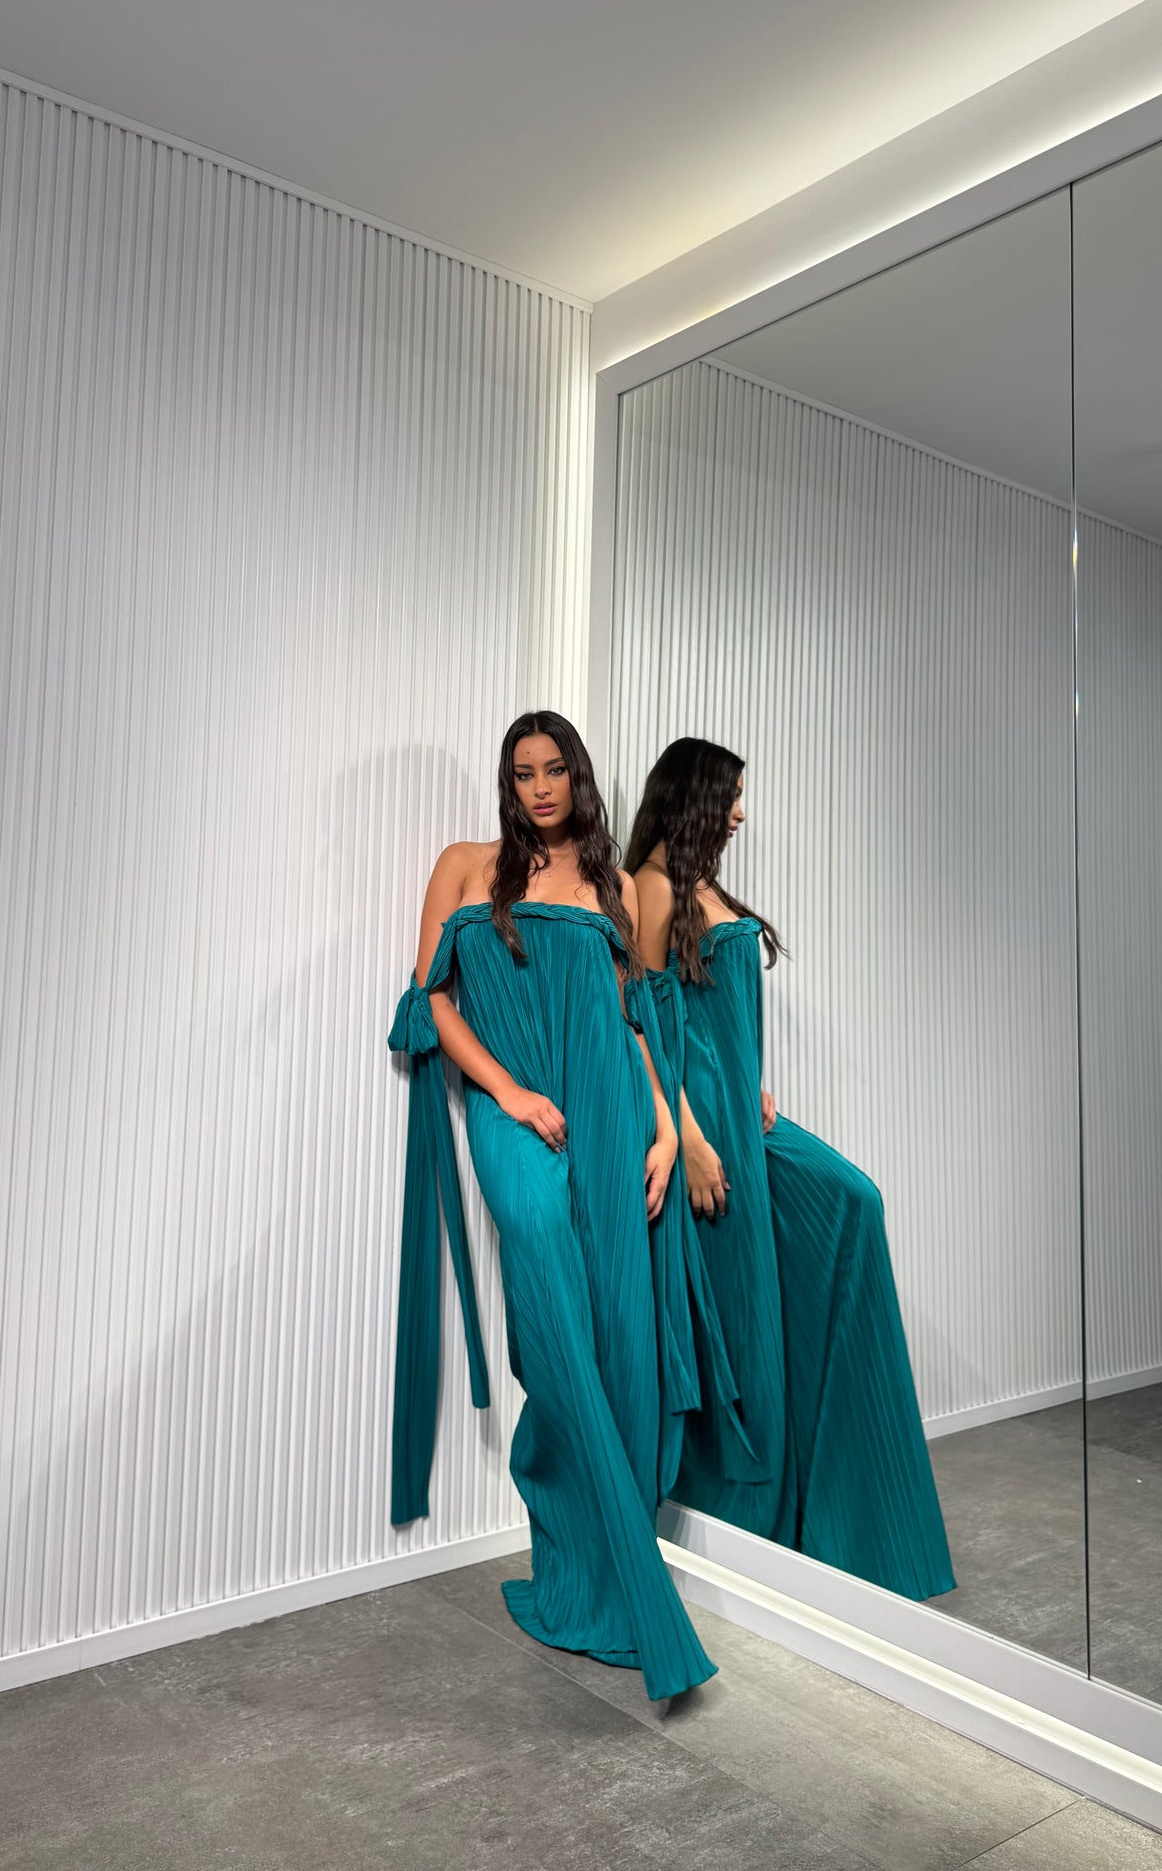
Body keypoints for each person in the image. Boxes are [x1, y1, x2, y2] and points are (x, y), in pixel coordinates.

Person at [388, 710, 717, 1699]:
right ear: (508, 782)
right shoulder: (465, 866)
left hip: (612, 1114)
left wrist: (666, 1129)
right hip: (515, 1109)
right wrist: (508, 1092)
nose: (539, 787)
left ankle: (598, 1563)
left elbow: (633, 1020)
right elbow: (431, 999)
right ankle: (623, 1569)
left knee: (616, 1333)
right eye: (523, 772)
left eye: (555, 769)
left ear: (579, 776)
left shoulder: (613, 885)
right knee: (550, 1292)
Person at [627, 736, 955, 1601]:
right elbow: (644, 1022)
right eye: (730, 797)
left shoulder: (704, 885)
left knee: (853, 1203)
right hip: (704, 1128)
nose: (741, 813)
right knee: (747, 1323)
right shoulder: (653, 887)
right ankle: (748, 1535)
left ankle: (854, 1516)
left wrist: (751, 1080)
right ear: (693, 797)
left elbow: (711, 1009)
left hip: (742, 1110)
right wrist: (690, 1137)